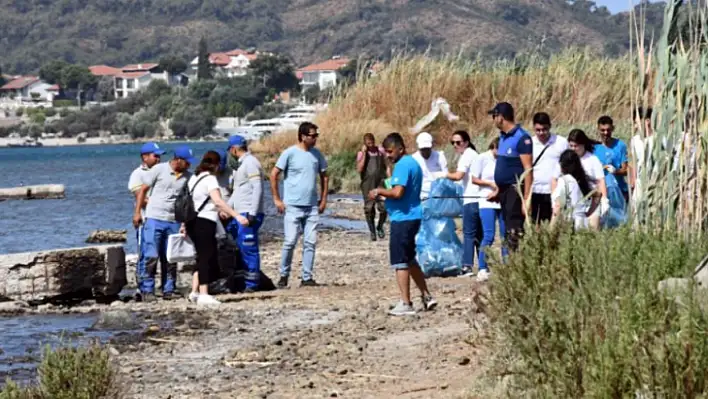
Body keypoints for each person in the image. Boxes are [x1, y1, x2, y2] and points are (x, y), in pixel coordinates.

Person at [368, 132, 437, 316]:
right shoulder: (412, 163)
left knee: (400, 261)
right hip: (412, 215)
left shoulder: (403, 165)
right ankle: (427, 296)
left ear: (400, 148)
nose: (388, 156)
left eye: (390, 152)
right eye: (386, 153)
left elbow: (398, 192)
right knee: (409, 259)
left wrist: (379, 191)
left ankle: (406, 303)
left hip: (403, 218)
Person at [132, 145, 196, 302]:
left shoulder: (188, 177)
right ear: (178, 160)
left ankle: (169, 289)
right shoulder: (159, 170)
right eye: (187, 162)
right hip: (154, 218)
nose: (189, 165)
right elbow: (142, 191)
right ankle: (147, 289)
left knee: (170, 258)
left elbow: (190, 199)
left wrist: (185, 222)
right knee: (151, 255)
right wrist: (137, 212)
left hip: (174, 220)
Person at [271, 122, 329, 289]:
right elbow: (274, 174)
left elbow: (325, 176)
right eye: (313, 135)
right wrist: (277, 199)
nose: (315, 138)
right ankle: (283, 275)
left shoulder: (317, 155)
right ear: (303, 136)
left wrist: (324, 199)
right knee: (289, 241)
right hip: (292, 206)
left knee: (310, 242)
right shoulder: (289, 153)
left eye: (316, 135)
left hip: (311, 206)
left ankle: (307, 277)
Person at [185, 151, 243, 306]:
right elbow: (218, 201)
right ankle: (204, 293)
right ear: (216, 165)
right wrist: (236, 215)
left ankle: (194, 291)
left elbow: (194, 202)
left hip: (192, 221)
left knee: (200, 256)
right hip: (205, 221)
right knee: (207, 257)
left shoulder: (194, 178)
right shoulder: (210, 179)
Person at [489, 102, 533, 252]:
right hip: (504, 191)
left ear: (500, 117)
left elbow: (528, 169)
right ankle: (511, 263)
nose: (493, 120)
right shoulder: (502, 138)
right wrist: (498, 190)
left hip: (516, 191)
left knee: (515, 230)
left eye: (494, 116)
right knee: (507, 229)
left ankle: (517, 263)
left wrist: (526, 199)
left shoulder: (521, 137)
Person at [226, 135, 266, 292]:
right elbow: (238, 191)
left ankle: (252, 284)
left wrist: (252, 213)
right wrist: (226, 209)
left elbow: (258, 188)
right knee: (240, 247)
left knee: (249, 248)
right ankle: (243, 280)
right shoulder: (241, 166)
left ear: (234, 149)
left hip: (248, 213)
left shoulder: (250, 163)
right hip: (240, 212)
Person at [128, 142, 165, 300]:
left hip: (164, 217)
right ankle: (143, 288)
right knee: (146, 254)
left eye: (159, 156)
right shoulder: (138, 174)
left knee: (166, 254)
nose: (158, 159)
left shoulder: (163, 171)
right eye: (155, 156)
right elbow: (139, 197)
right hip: (146, 218)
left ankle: (167, 287)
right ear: (145, 157)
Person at [445, 130, 482, 276]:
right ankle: (483, 264)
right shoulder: (475, 155)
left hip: (471, 199)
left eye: (458, 142)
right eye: (452, 142)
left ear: (466, 142)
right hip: (480, 199)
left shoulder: (467, 155)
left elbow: (458, 176)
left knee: (468, 233)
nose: (455, 145)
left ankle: (467, 265)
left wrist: (442, 174)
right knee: (479, 233)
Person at [470, 137, 507, 282]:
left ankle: (507, 266)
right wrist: (489, 184)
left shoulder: (504, 159)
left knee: (505, 236)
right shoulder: (482, 158)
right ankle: (482, 268)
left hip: (502, 200)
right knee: (489, 235)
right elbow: (474, 179)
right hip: (486, 200)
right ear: (494, 147)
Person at [555, 129, 607, 230]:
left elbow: (600, 181)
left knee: (592, 232)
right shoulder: (567, 158)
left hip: (591, 200)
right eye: (571, 146)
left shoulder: (592, 160)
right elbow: (555, 178)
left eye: (576, 146)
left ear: (583, 144)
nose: (573, 149)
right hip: (572, 203)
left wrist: (605, 200)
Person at [530, 112, 568, 224]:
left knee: (553, 224)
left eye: (544, 129)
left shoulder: (561, 142)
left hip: (554, 191)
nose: (541, 133)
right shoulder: (529, 143)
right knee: (535, 224)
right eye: (538, 130)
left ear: (550, 126)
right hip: (535, 190)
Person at [356, 133, 390, 241]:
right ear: (365, 143)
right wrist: (365, 153)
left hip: (381, 183)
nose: (371, 145)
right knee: (369, 208)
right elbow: (360, 169)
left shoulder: (380, 151)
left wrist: (390, 182)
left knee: (384, 208)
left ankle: (380, 226)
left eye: (372, 142)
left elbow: (387, 166)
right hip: (367, 184)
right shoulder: (361, 154)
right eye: (368, 143)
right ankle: (372, 232)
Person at [551, 150, 593, 230]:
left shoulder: (564, 180)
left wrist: (551, 228)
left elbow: (558, 206)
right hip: (583, 223)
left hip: (569, 223)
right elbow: (597, 195)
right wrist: (589, 212)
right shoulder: (581, 180)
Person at [595, 116, 629, 203]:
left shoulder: (620, 145)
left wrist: (615, 171)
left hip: (619, 191)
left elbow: (625, 170)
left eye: (608, 130)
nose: (606, 133)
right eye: (602, 130)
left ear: (612, 129)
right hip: (602, 193)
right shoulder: (594, 148)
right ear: (598, 129)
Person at [411, 132, 448, 200]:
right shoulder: (413, 159)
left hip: (438, 195)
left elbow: (446, 175)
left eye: (427, 149)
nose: (425, 151)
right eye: (423, 149)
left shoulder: (439, 156)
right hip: (421, 196)